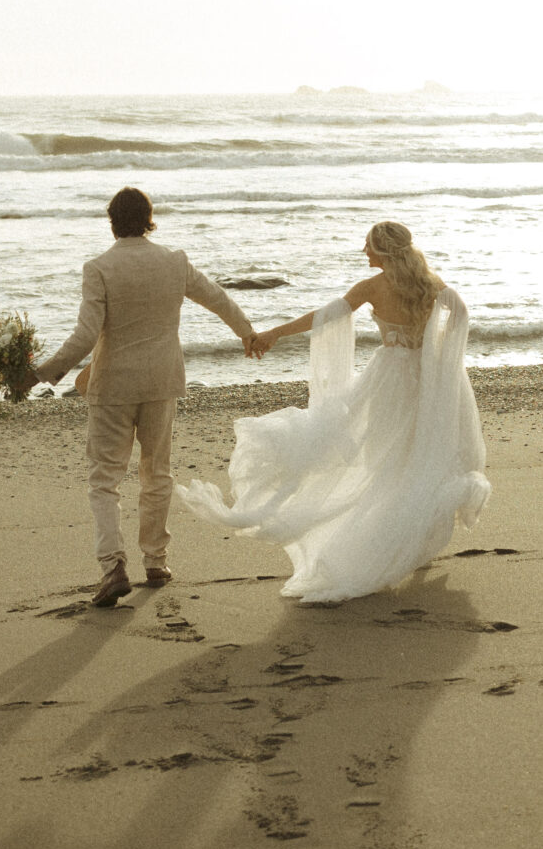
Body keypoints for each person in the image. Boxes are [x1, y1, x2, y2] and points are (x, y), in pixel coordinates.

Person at [178, 221, 491, 604]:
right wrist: (439, 357)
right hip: (428, 380)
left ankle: (395, 541)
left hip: (390, 380)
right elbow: (460, 315)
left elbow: (323, 317)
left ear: (383, 250)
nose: (364, 252)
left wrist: (273, 334)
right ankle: (413, 538)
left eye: (368, 246)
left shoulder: (372, 288)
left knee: (385, 461)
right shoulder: (432, 285)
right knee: (418, 456)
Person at [27, 187, 257, 607]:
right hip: (161, 381)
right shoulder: (174, 261)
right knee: (156, 471)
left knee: (104, 480)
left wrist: (43, 374)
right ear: (149, 218)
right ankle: (155, 560)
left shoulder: (99, 268)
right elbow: (218, 299)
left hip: (113, 384)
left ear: (112, 221)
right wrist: (248, 333)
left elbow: (85, 333)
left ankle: (114, 565)